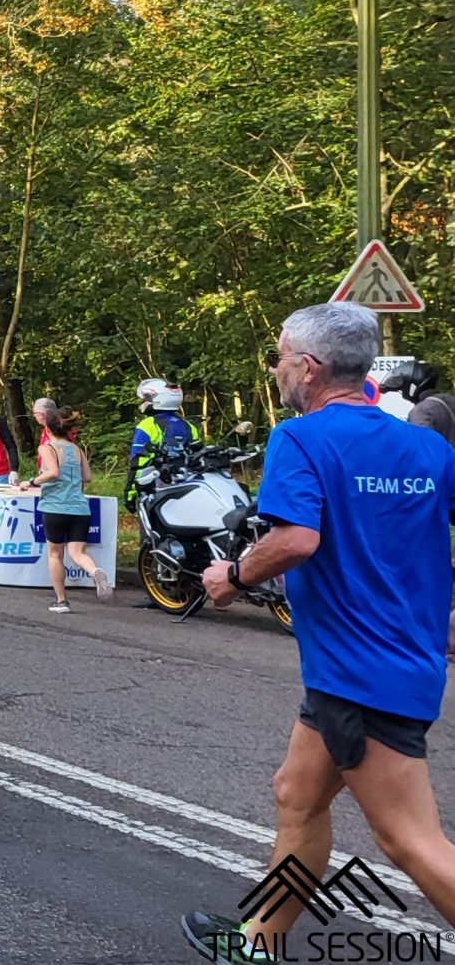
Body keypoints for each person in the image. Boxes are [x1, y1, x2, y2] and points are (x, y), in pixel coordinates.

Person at [183, 303, 455, 964]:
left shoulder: (300, 438)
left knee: (407, 839)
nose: (275, 368)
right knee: (296, 797)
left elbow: (298, 537)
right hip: (369, 664)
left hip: (364, 673)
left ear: (308, 366)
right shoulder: (428, 447)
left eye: (279, 356)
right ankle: (260, 941)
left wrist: (233, 577)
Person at [22, 407, 101, 613]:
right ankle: (95, 571)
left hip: (55, 506)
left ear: (47, 428)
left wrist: (31, 481)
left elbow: (53, 472)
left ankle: (61, 600)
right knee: (77, 552)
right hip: (80, 508)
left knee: (55, 554)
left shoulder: (47, 448)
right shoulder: (77, 450)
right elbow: (88, 477)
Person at [127, 377, 195, 505]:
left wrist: (131, 492)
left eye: (146, 398)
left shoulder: (147, 425)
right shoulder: (188, 425)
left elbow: (138, 461)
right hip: (187, 484)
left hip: (156, 487)